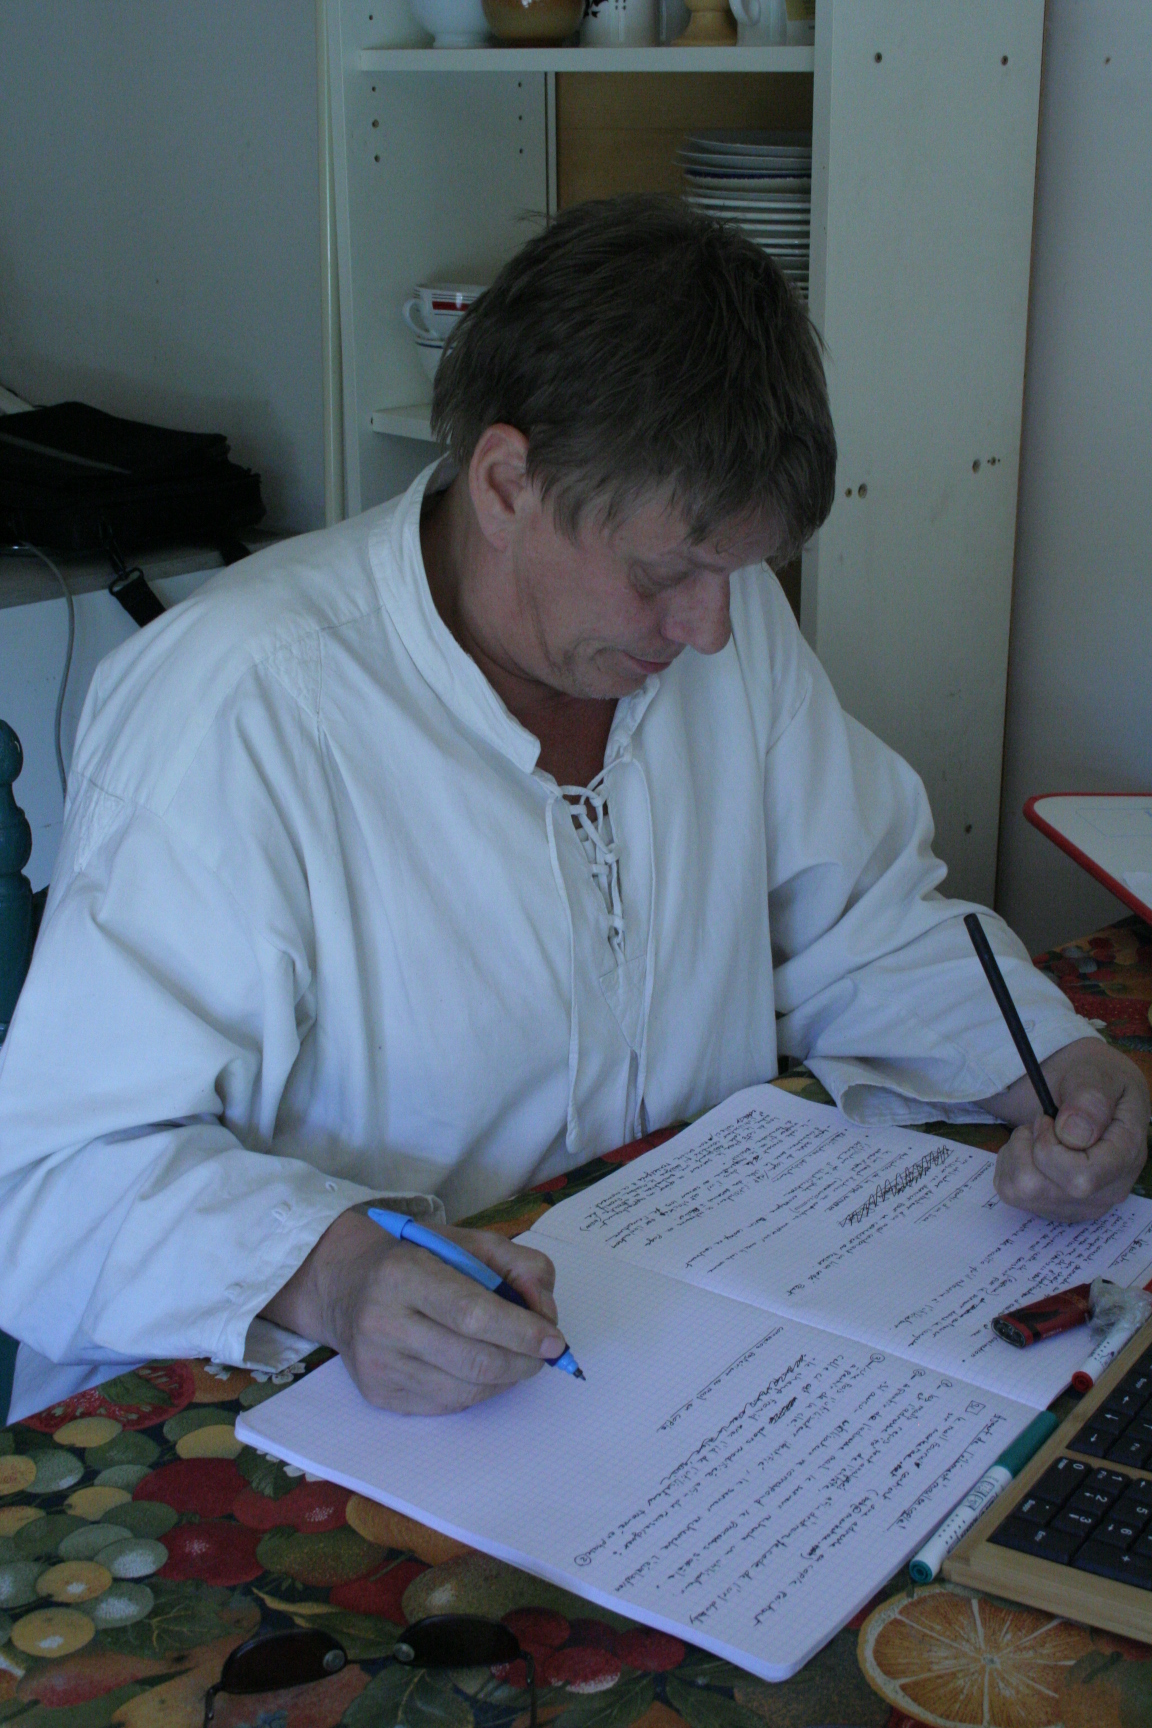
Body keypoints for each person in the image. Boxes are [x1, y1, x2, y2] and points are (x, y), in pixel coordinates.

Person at [0, 198, 1146, 1424]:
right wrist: (334, 1274)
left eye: (741, 573)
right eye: (667, 574)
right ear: (507, 484)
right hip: (325, 1398)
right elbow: (52, 1184)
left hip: (671, 1337)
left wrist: (1056, 1066)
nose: (711, 628)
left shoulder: (718, 623)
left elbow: (859, 919)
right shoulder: (237, 707)